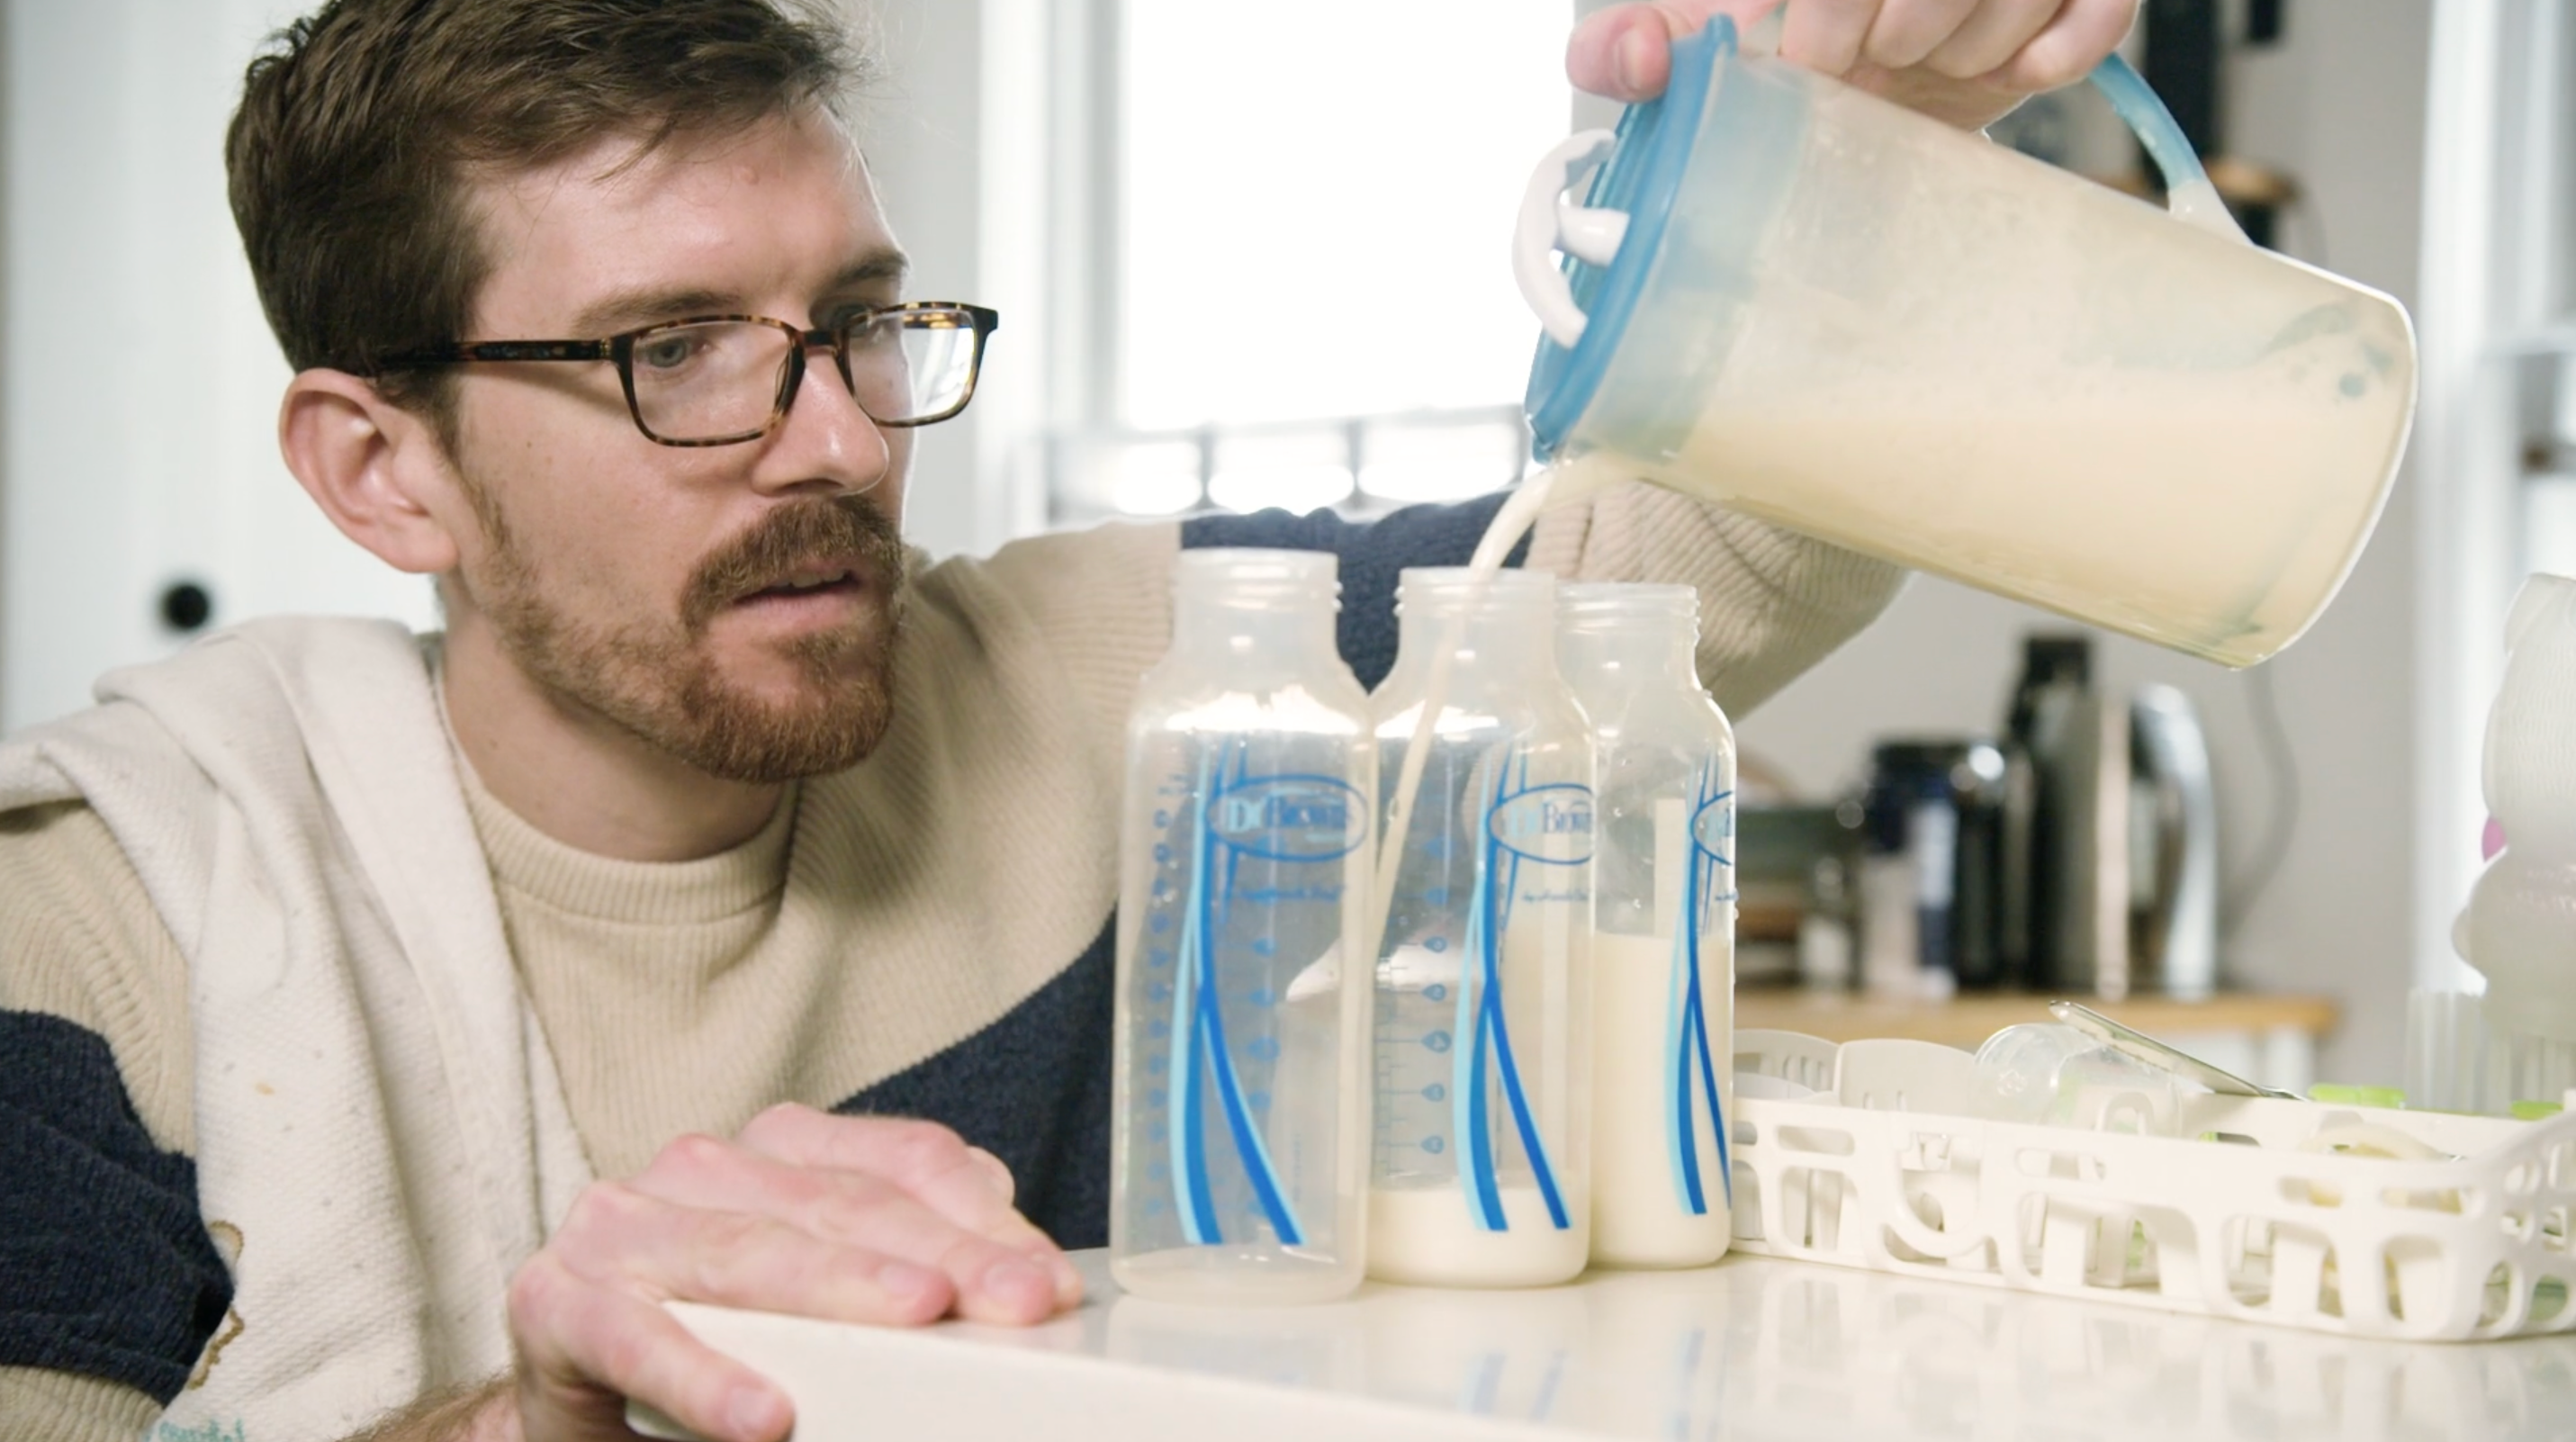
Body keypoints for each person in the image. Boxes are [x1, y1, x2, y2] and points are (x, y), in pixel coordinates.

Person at [0, 0, 2136, 1438]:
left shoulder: (1180, 690)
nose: (835, 438)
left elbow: (1682, 544)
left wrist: (1882, 130)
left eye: (857, 322)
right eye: (676, 351)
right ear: (382, 469)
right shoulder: (106, 941)